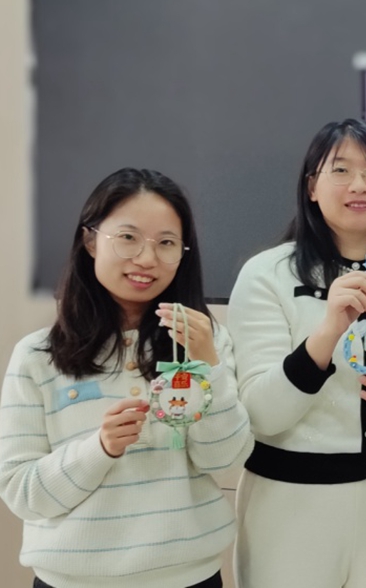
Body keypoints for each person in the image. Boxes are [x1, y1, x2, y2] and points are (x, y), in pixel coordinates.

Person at [0, 168, 254, 588]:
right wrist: (99, 448)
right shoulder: (37, 356)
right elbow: (22, 492)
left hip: (188, 577)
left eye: (166, 243)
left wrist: (208, 365)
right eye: (128, 237)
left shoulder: (205, 342)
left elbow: (226, 462)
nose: (147, 259)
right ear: (90, 241)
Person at [228, 119, 366, 588]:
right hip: (290, 507)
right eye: (341, 170)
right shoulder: (267, 274)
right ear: (312, 187)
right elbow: (261, 414)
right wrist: (328, 331)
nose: (360, 185)